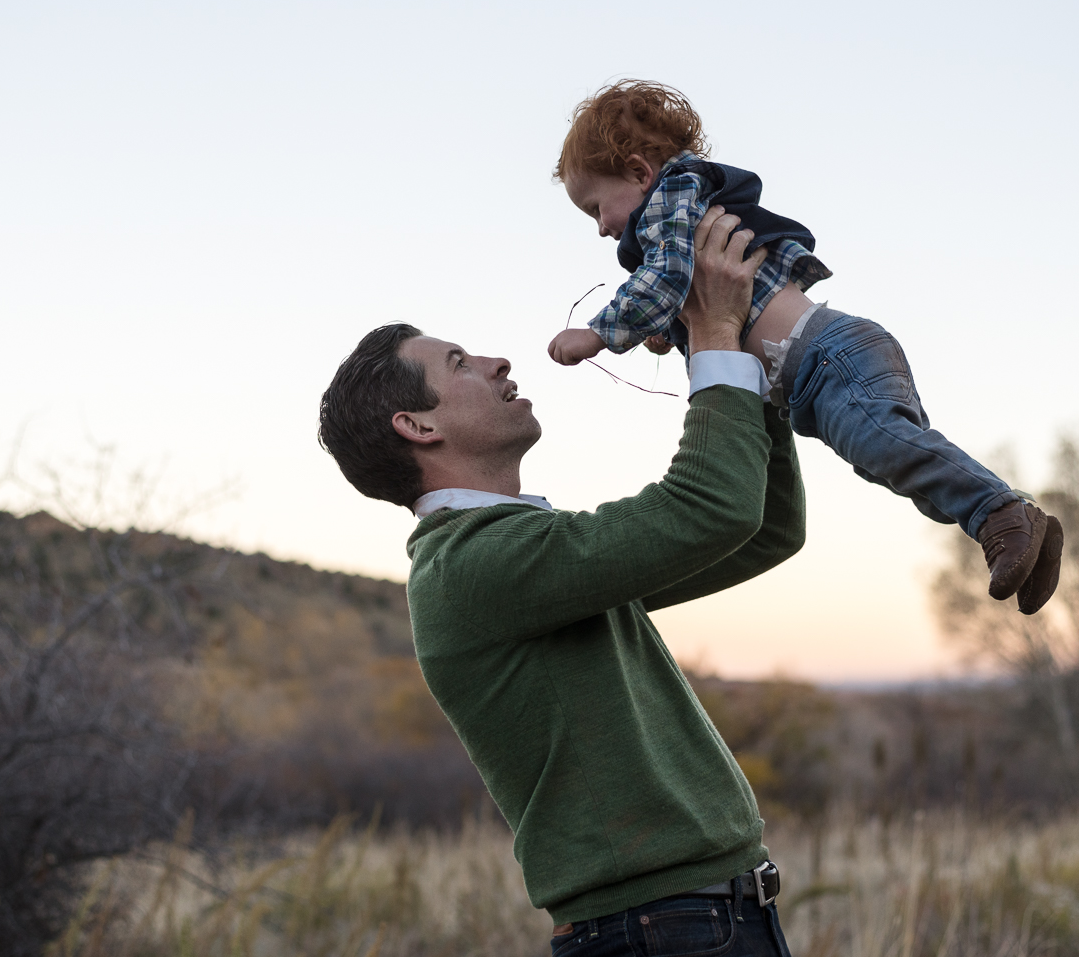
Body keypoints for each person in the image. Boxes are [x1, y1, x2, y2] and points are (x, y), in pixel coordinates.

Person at [319, 210, 805, 955]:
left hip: (690, 921)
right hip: (664, 930)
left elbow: (763, 526)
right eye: (459, 364)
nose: (496, 363)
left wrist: (729, 346)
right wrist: (714, 332)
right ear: (417, 426)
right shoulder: (476, 566)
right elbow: (711, 508)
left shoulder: (519, 557)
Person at [548, 80, 1064, 614]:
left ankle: (1000, 515)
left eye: (596, 208)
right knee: (895, 461)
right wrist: (662, 328)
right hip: (827, 361)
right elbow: (677, 286)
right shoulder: (682, 206)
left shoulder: (670, 198)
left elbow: (667, 274)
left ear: (639, 172)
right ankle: (1020, 534)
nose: (602, 229)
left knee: (890, 448)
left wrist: (598, 333)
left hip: (825, 356)